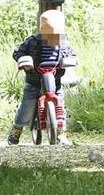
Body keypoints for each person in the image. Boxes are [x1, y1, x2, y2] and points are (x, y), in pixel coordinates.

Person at [7, 9, 78, 145]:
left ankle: (61, 133)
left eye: (58, 35)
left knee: (60, 105)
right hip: (35, 81)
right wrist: (23, 60)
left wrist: (70, 60)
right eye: (51, 35)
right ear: (42, 32)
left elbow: (71, 54)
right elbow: (18, 52)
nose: (55, 38)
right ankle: (17, 129)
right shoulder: (32, 41)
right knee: (27, 105)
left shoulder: (64, 44)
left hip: (55, 81)